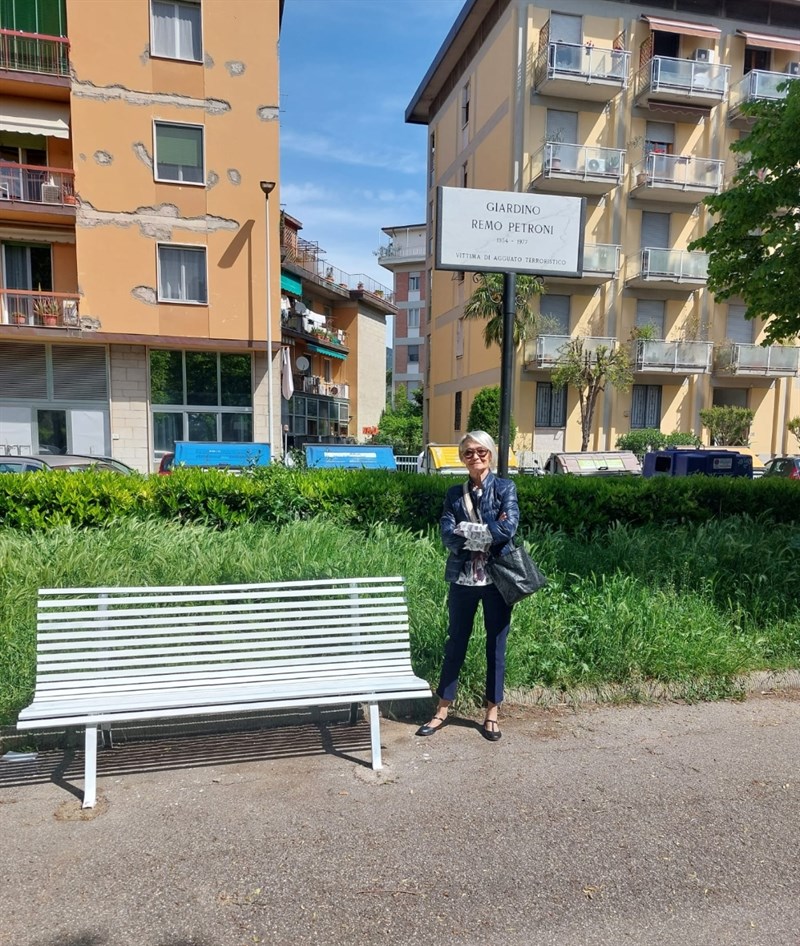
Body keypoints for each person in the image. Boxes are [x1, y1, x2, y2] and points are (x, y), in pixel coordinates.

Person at [416, 430, 519, 742]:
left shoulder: (505, 488)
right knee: (456, 642)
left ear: (491, 453)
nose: (475, 457)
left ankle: (491, 712)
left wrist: (468, 530)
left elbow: (508, 528)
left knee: (496, 646)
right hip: (463, 578)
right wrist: (486, 531)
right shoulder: (453, 494)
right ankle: (442, 709)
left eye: (481, 451)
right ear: (462, 458)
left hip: (497, 579)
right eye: (468, 453)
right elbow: (448, 536)